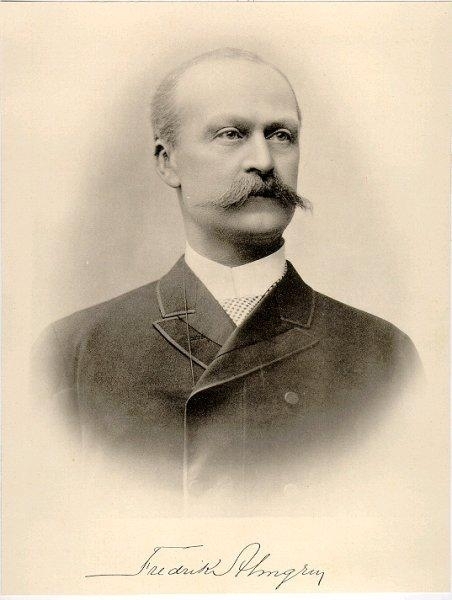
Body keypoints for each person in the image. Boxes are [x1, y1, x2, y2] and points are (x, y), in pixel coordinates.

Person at [33, 48, 421, 514]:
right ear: (168, 162)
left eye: (281, 135)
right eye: (231, 134)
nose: (264, 160)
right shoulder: (74, 352)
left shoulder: (383, 355)